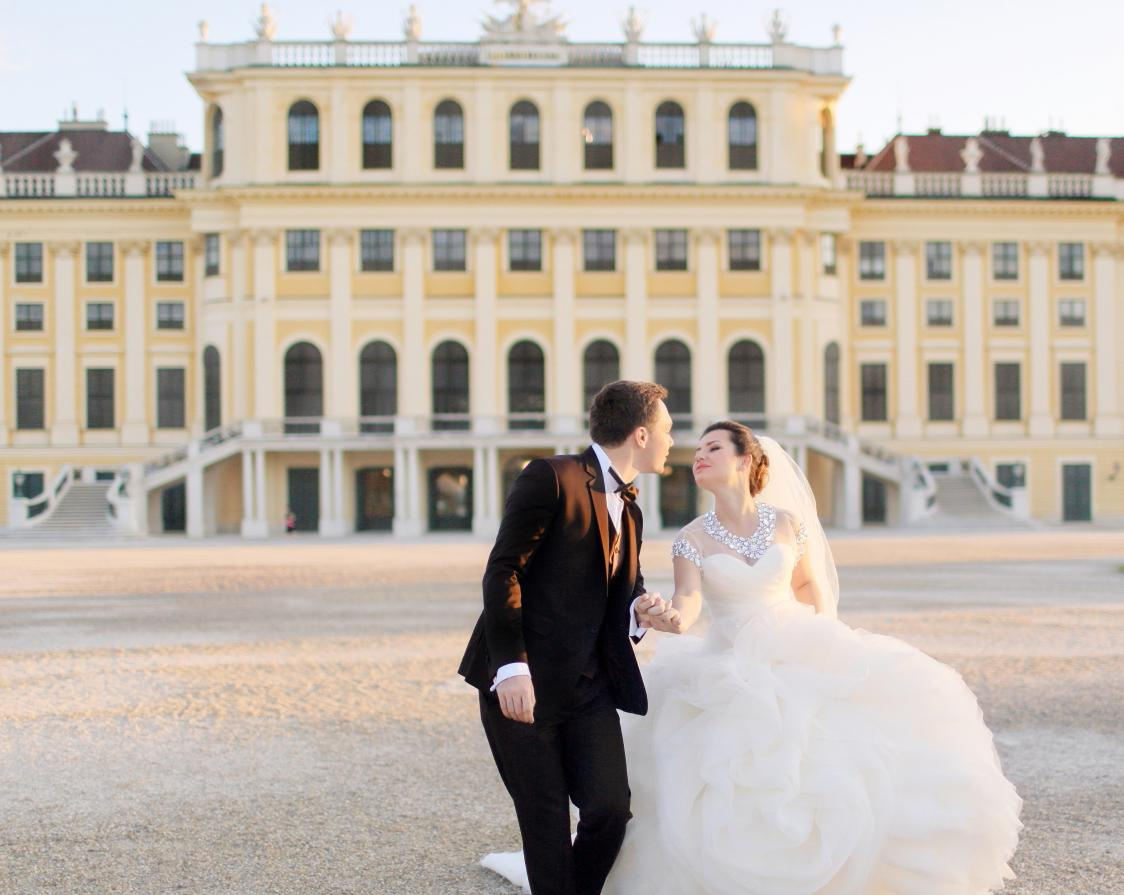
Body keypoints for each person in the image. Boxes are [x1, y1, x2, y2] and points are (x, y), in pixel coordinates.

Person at [483, 419, 1022, 895]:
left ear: (746, 460)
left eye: (713, 448)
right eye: (695, 449)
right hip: (729, 661)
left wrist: (823, 642)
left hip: (799, 646)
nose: (698, 455)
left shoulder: (788, 523)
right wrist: (664, 617)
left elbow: (812, 585)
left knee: (840, 765)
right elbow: (689, 608)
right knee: (727, 773)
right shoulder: (690, 537)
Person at [459, 380, 680, 895]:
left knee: (610, 809)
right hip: (523, 683)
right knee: (547, 827)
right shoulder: (551, 477)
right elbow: (503, 570)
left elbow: (621, 588)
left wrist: (642, 610)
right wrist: (511, 668)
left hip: (590, 687)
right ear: (642, 434)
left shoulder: (632, 507)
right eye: (668, 430)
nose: (673, 441)